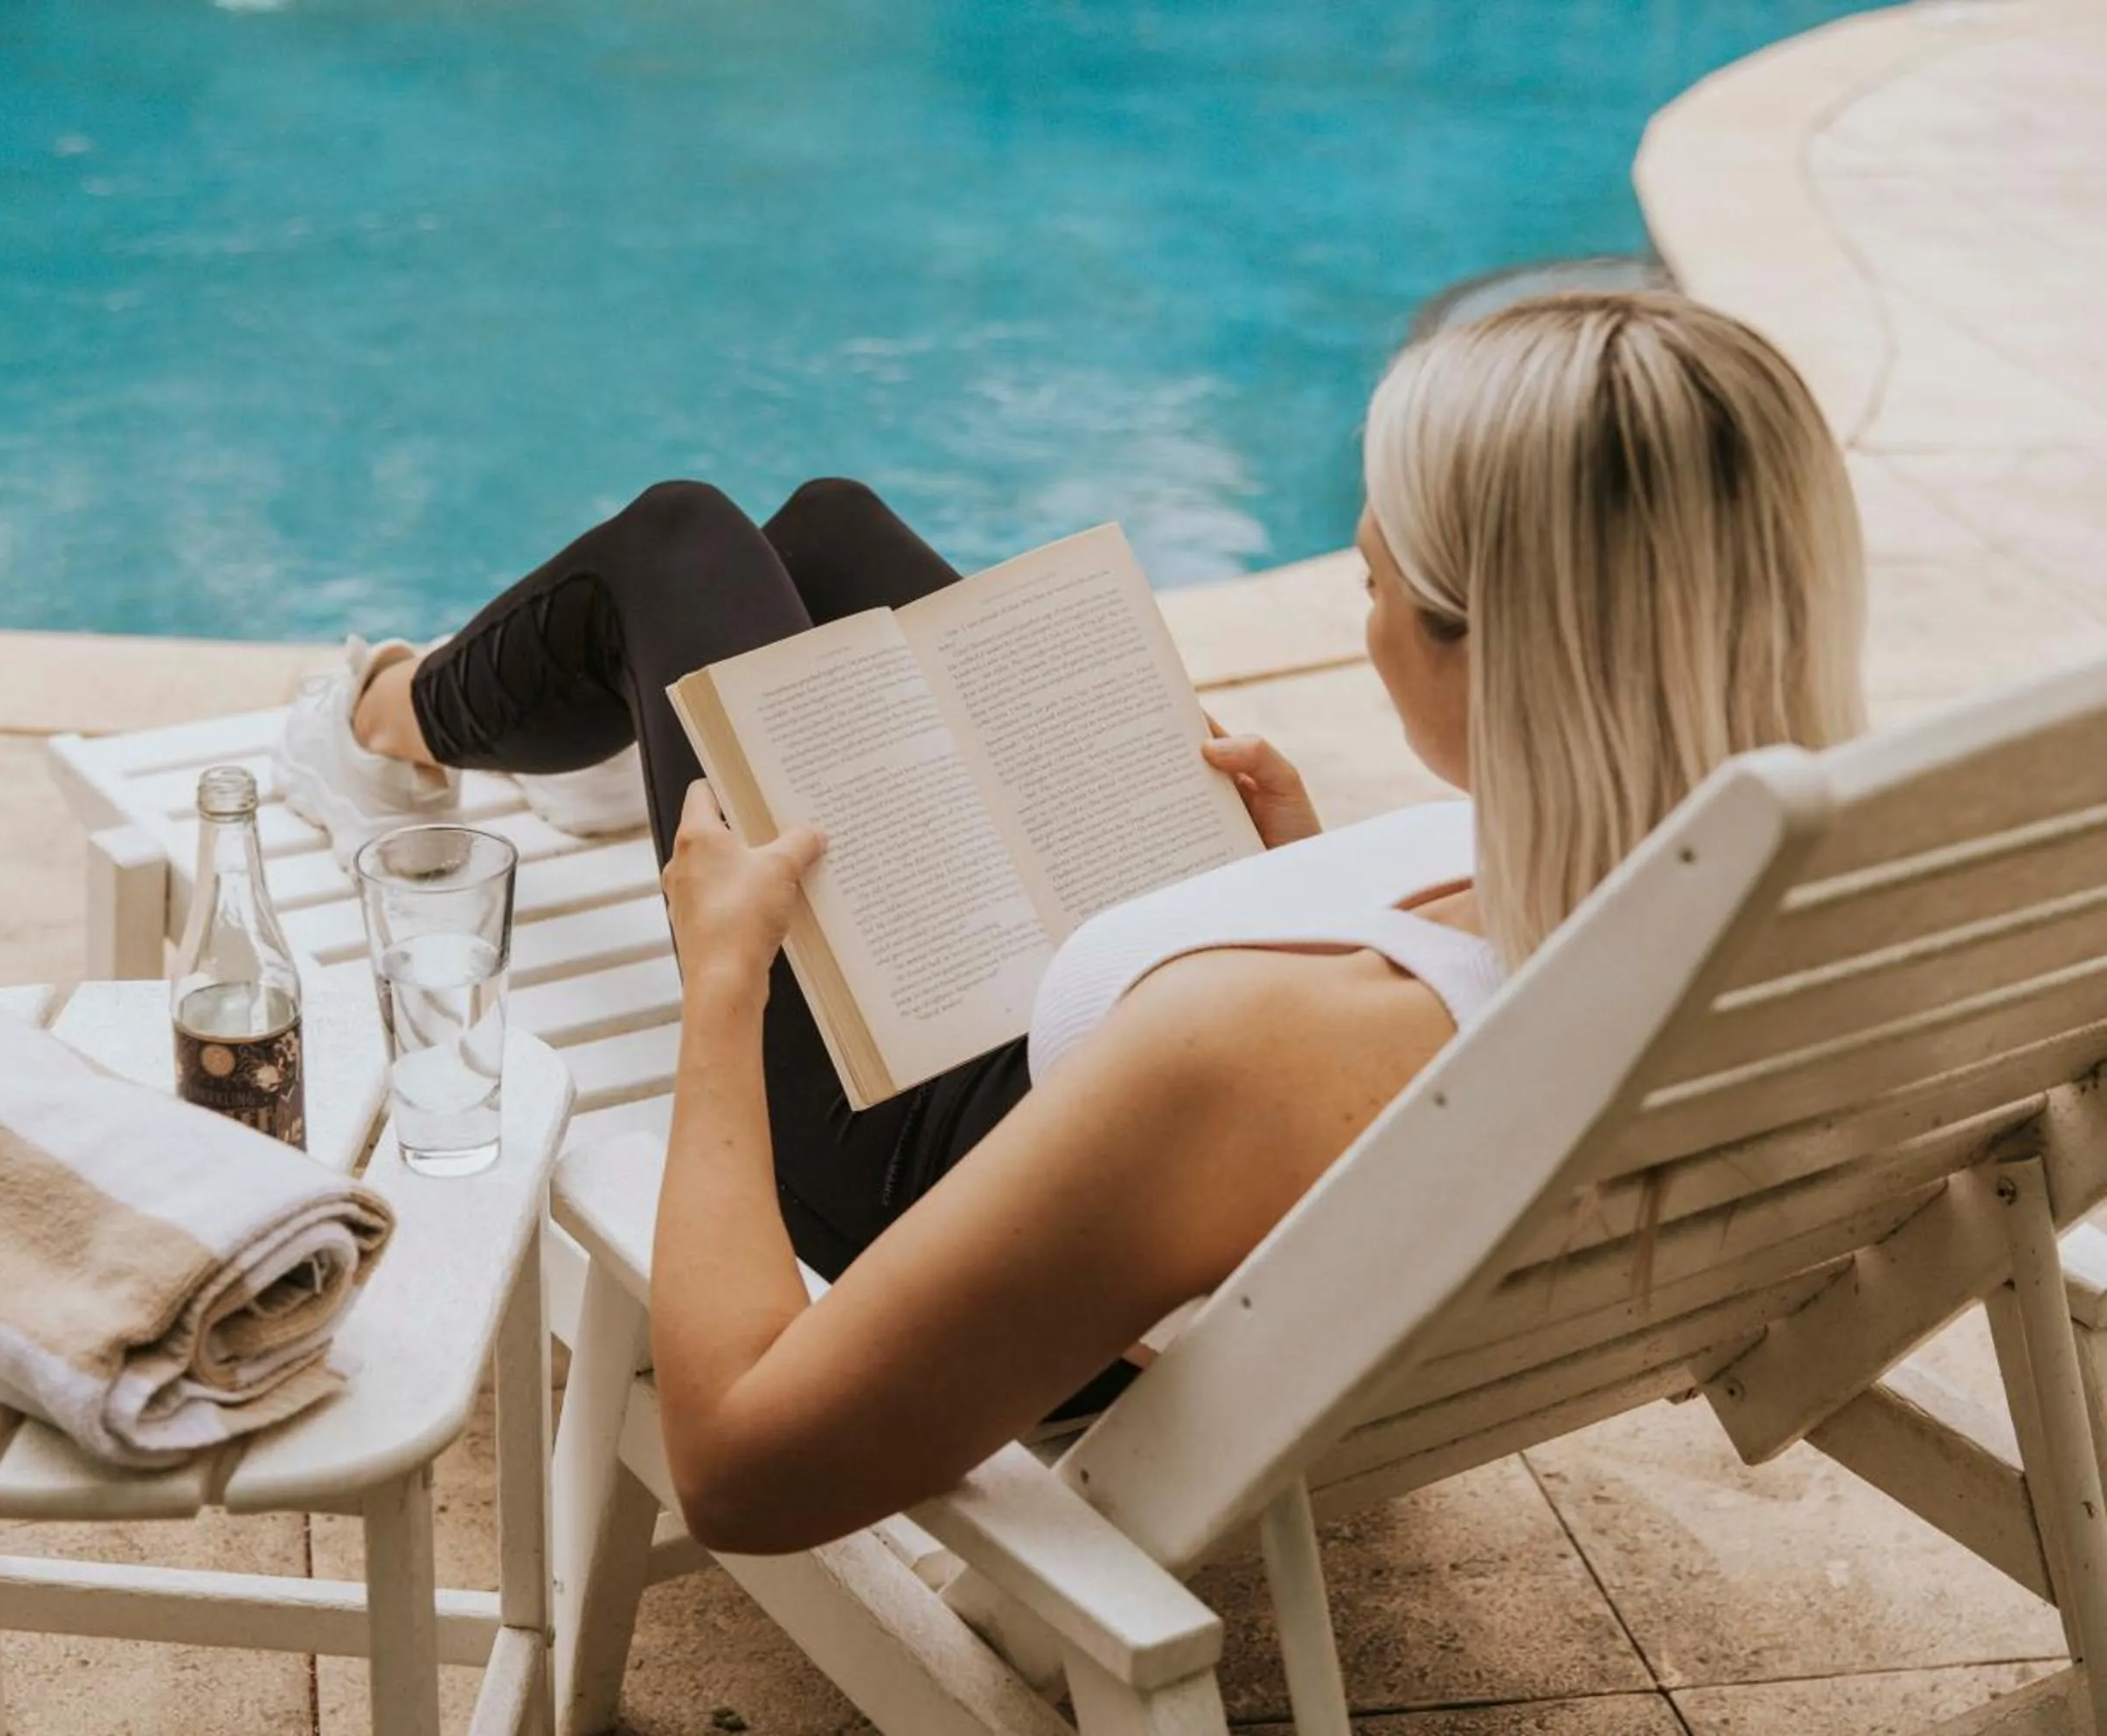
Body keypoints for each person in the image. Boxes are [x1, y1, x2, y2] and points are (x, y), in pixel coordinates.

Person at [271, 292, 1867, 1555]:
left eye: (1376, 590)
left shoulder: (1248, 1056)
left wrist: (720, 987)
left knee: (680, 541)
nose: (1364, 617)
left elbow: (744, 1467)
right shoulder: (1768, 893)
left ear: (1490, 653)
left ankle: (381, 727)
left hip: (940, 1172)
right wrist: (1315, 878)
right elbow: (1376, 1065)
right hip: (1138, 1109)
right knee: (827, 533)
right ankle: (616, 739)